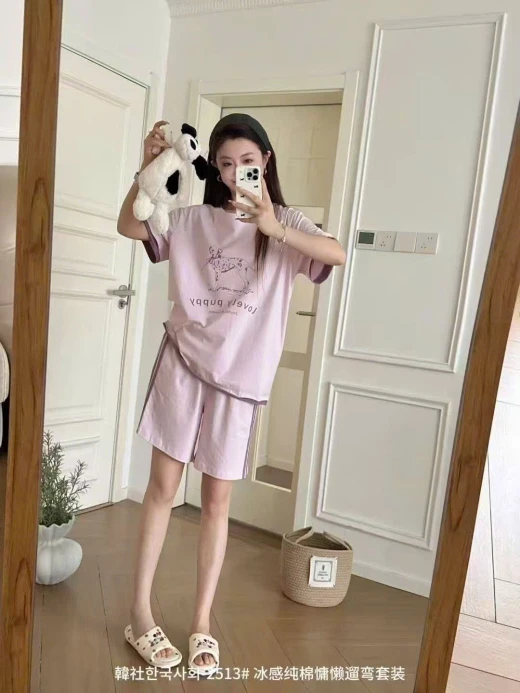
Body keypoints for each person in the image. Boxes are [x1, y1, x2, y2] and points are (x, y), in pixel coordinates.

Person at [116, 113, 346, 675]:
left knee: (217, 503)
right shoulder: (194, 220)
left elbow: (337, 254)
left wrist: (274, 227)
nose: (236, 171)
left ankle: (201, 623)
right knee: (162, 490)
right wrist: (147, 170)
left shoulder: (287, 223)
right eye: (224, 164)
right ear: (214, 170)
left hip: (240, 383)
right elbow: (129, 225)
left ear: (265, 160)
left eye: (246, 161)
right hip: (183, 363)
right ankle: (140, 615)